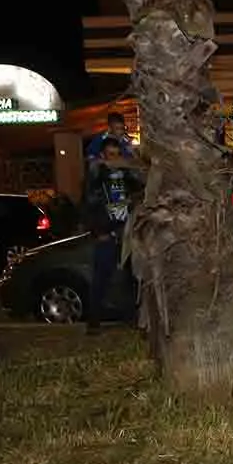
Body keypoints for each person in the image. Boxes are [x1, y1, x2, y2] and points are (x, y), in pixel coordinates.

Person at [83, 137, 140, 333]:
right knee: (101, 278)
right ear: (103, 156)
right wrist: (98, 231)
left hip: (125, 233)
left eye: (117, 155)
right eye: (110, 155)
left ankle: (131, 318)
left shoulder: (126, 175)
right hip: (106, 234)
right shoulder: (97, 175)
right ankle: (94, 322)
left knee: (129, 277)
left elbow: (139, 186)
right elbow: (89, 205)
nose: (114, 159)